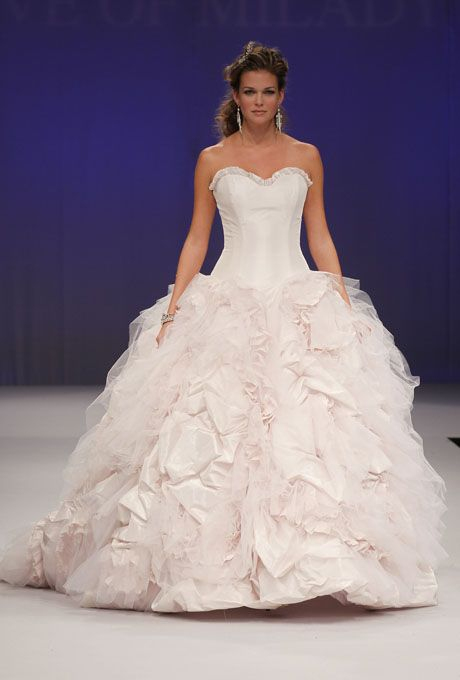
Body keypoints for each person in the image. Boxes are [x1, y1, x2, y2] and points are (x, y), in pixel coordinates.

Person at [0, 41, 448, 614]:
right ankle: (214, 560)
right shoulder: (213, 160)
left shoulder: (307, 156)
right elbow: (197, 237)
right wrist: (175, 307)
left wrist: (339, 300)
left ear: (281, 96)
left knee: (311, 433)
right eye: (249, 92)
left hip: (296, 299)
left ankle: (314, 561)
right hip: (228, 303)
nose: (259, 101)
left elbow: (319, 233)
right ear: (235, 97)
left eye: (268, 92)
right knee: (210, 429)